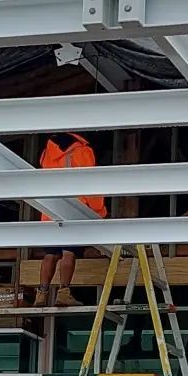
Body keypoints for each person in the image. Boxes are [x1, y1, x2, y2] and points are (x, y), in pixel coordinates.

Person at [35, 131, 107, 307]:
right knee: (69, 251)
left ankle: (41, 295)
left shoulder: (48, 151)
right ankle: (64, 293)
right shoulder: (81, 150)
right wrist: (99, 211)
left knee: (51, 253)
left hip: (50, 210)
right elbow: (90, 183)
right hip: (73, 208)